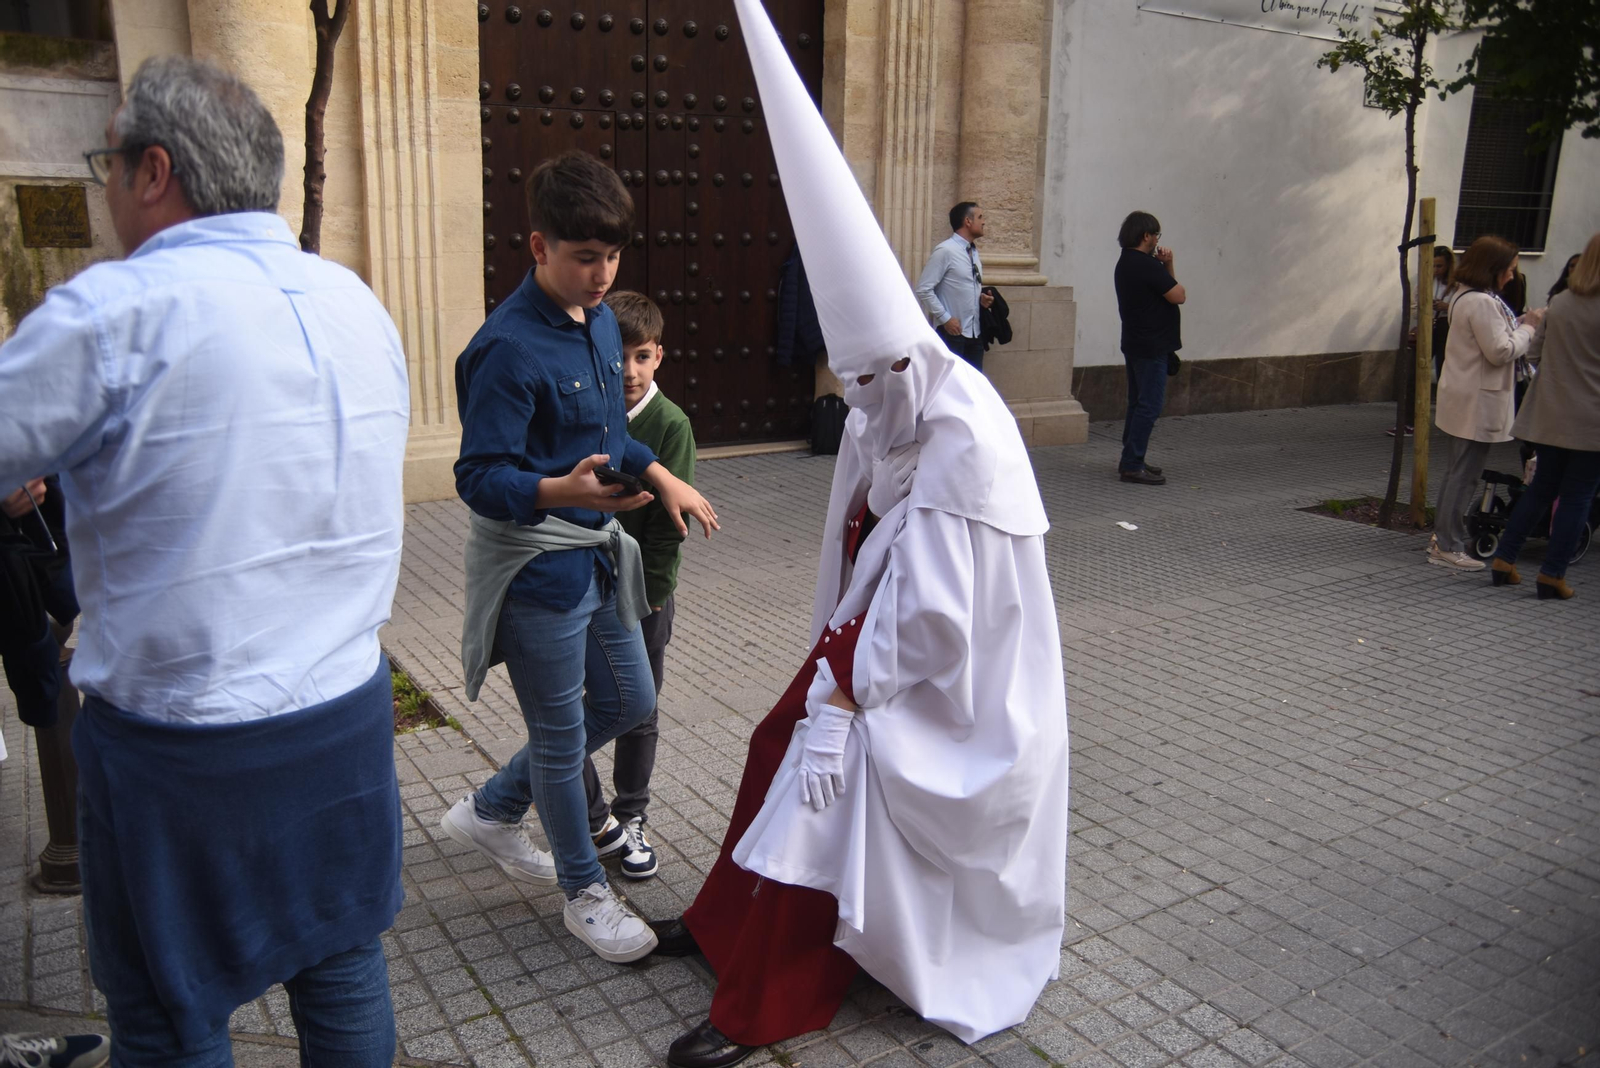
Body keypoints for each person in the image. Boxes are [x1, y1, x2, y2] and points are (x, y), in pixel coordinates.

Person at [652, 3, 1069, 1065]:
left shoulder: (965, 437)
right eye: (851, 378)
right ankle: (721, 926)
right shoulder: (889, 409)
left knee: (823, 785)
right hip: (877, 647)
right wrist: (836, 666)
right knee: (773, 744)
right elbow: (857, 543)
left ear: (910, 358)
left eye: (875, 377)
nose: (862, 398)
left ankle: (761, 1005)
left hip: (951, 688)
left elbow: (940, 617)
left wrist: (848, 690)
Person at [0, 57, 410, 1065]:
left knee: (166, 1012)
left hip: (183, 749)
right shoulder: (354, 298)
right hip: (343, 714)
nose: (105, 188)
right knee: (341, 967)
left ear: (154, 170)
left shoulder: (112, 311)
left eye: (107, 164)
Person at [444, 150, 718, 965]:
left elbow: (609, 434)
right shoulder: (506, 348)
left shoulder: (600, 323)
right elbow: (478, 477)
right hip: (537, 570)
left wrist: (660, 473)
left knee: (630, 699)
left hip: (598, 556)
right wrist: (562, 491)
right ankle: (584, 893)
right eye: (585, 257)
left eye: (613, 257)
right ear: (540, 247)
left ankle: (493, 808)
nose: (603, 276)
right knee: (561, 739)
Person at [581, 290, 696, 880]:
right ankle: (590, 815)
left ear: (659, 357)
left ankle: (632, 813)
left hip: (642, 593)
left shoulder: (671, 424)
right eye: (619, 357)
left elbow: (666, 533)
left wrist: (649, 597)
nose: (629, 371)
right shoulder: (589, 408)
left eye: (642, 357)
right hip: (580, 584)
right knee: (576, 705)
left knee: (639, 706)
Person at [1489, 232, 1600, 599]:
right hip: (1592, 421)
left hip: (1551, 413)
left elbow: (1534, 355)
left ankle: (1504, 558)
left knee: (1541, 488)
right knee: (1578, 496)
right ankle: (1552, 574)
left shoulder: (1562, 302)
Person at [1430, 235, 1545, 571]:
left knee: (1458, 472)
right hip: (1476, 401)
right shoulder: (1480, 301)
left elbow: (1492, 340)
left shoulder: (1467, 296)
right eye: (1508, 269)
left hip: (1466, 396)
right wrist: (1529, 329)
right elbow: (1500, 351)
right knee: (1463, 475)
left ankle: (1444, 539)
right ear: (1492, 268)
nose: (1511, 276)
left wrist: (1517, 325)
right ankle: (1448, 545)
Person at [1113, 211, 1185, 484]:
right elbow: (1178, 295)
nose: (1157, 240)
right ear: (1146, 236)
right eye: (1156, 235)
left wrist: (1163, 265)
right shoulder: (1146, 265)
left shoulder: (1125, 262)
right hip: (1152, 345)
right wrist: (1168, 264)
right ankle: (1132, 464)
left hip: (1134, 341)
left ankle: (1132, 458)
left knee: (1137, 403)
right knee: (1149, 406)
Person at [914, 202, 993, 371]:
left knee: (972, 383)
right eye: (980, 217)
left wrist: (981, 299)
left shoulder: (973, 251)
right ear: (968, 221)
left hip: (975, 333)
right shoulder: (945, 250)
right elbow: (924, 289)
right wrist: (946, 319)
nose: (984, 221)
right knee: (949, 383)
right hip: (952, 334)